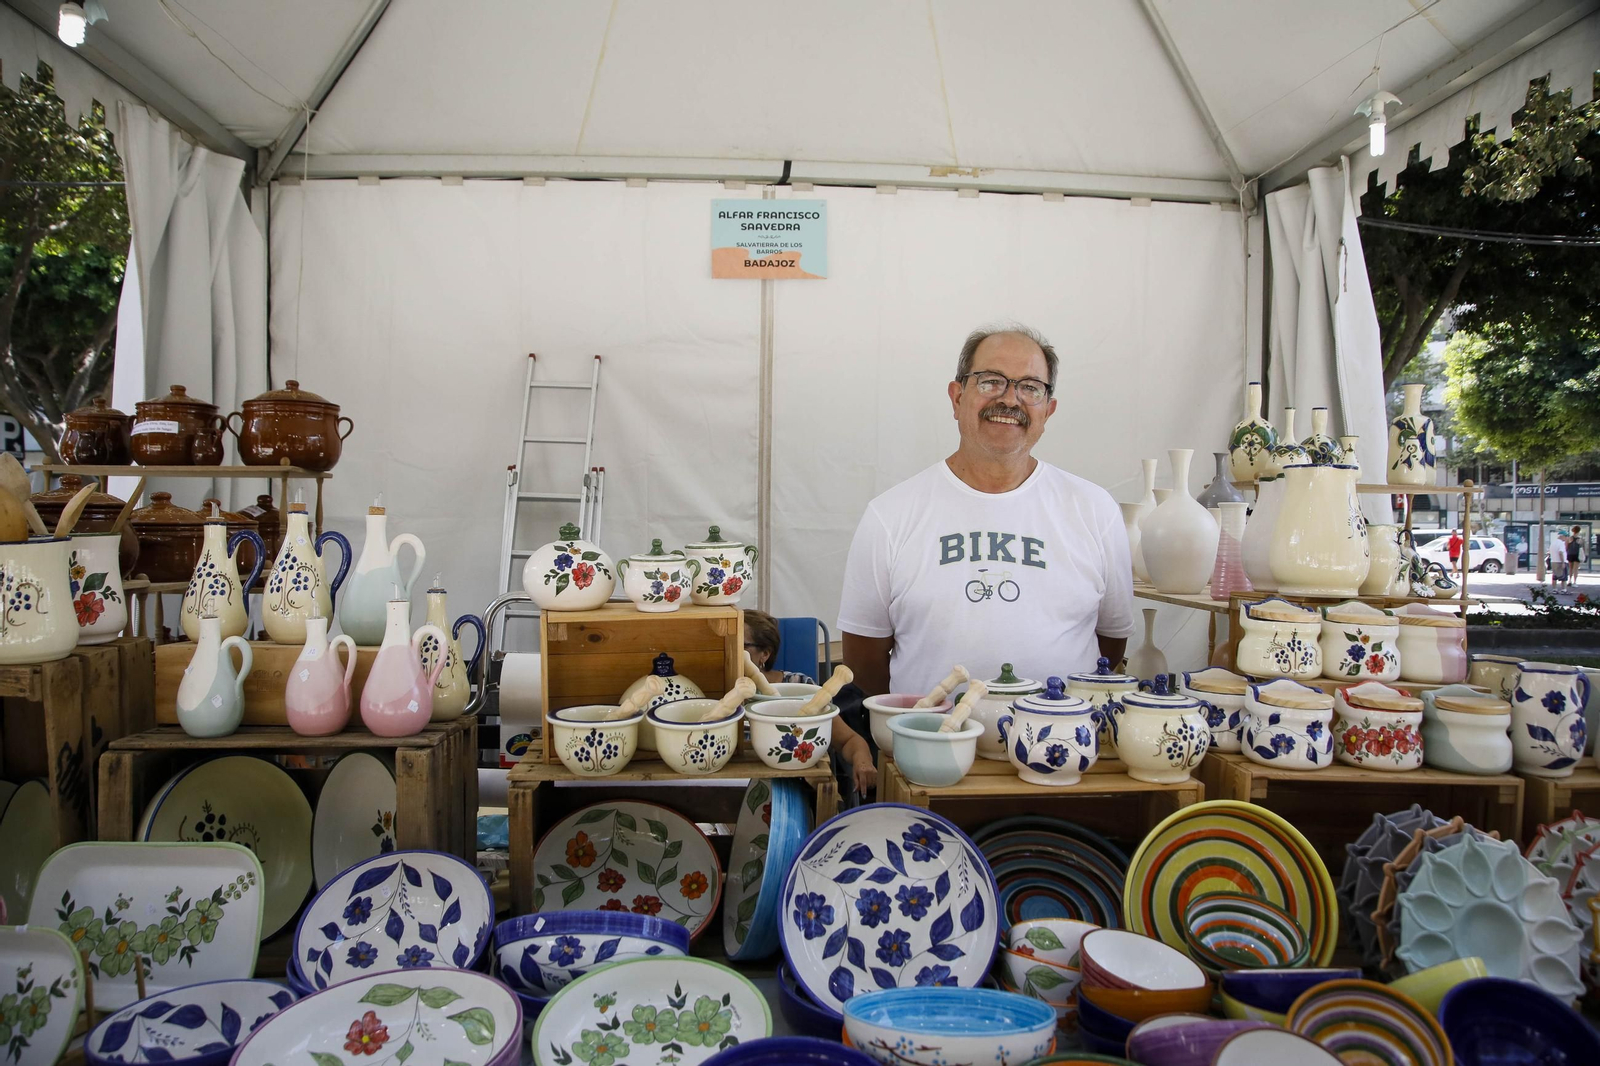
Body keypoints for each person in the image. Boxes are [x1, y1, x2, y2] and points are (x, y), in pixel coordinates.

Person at [838, 324, 1136, 701]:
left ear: (1049, 409)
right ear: (957, 397)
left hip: (1062, 748)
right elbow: (864, 657)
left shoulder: (1094, 510)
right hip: (929, 749)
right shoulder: (891, 515)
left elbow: (1111, 641)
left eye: (1030, 387)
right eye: (991, 381)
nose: (1011, 400)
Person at [744, 608, 876, 796]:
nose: (728, 650)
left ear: (764, 653)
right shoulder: (716, 688)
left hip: (791, 785)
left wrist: (862, 761)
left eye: (739, 644)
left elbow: (848, 740)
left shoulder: (799, 686)